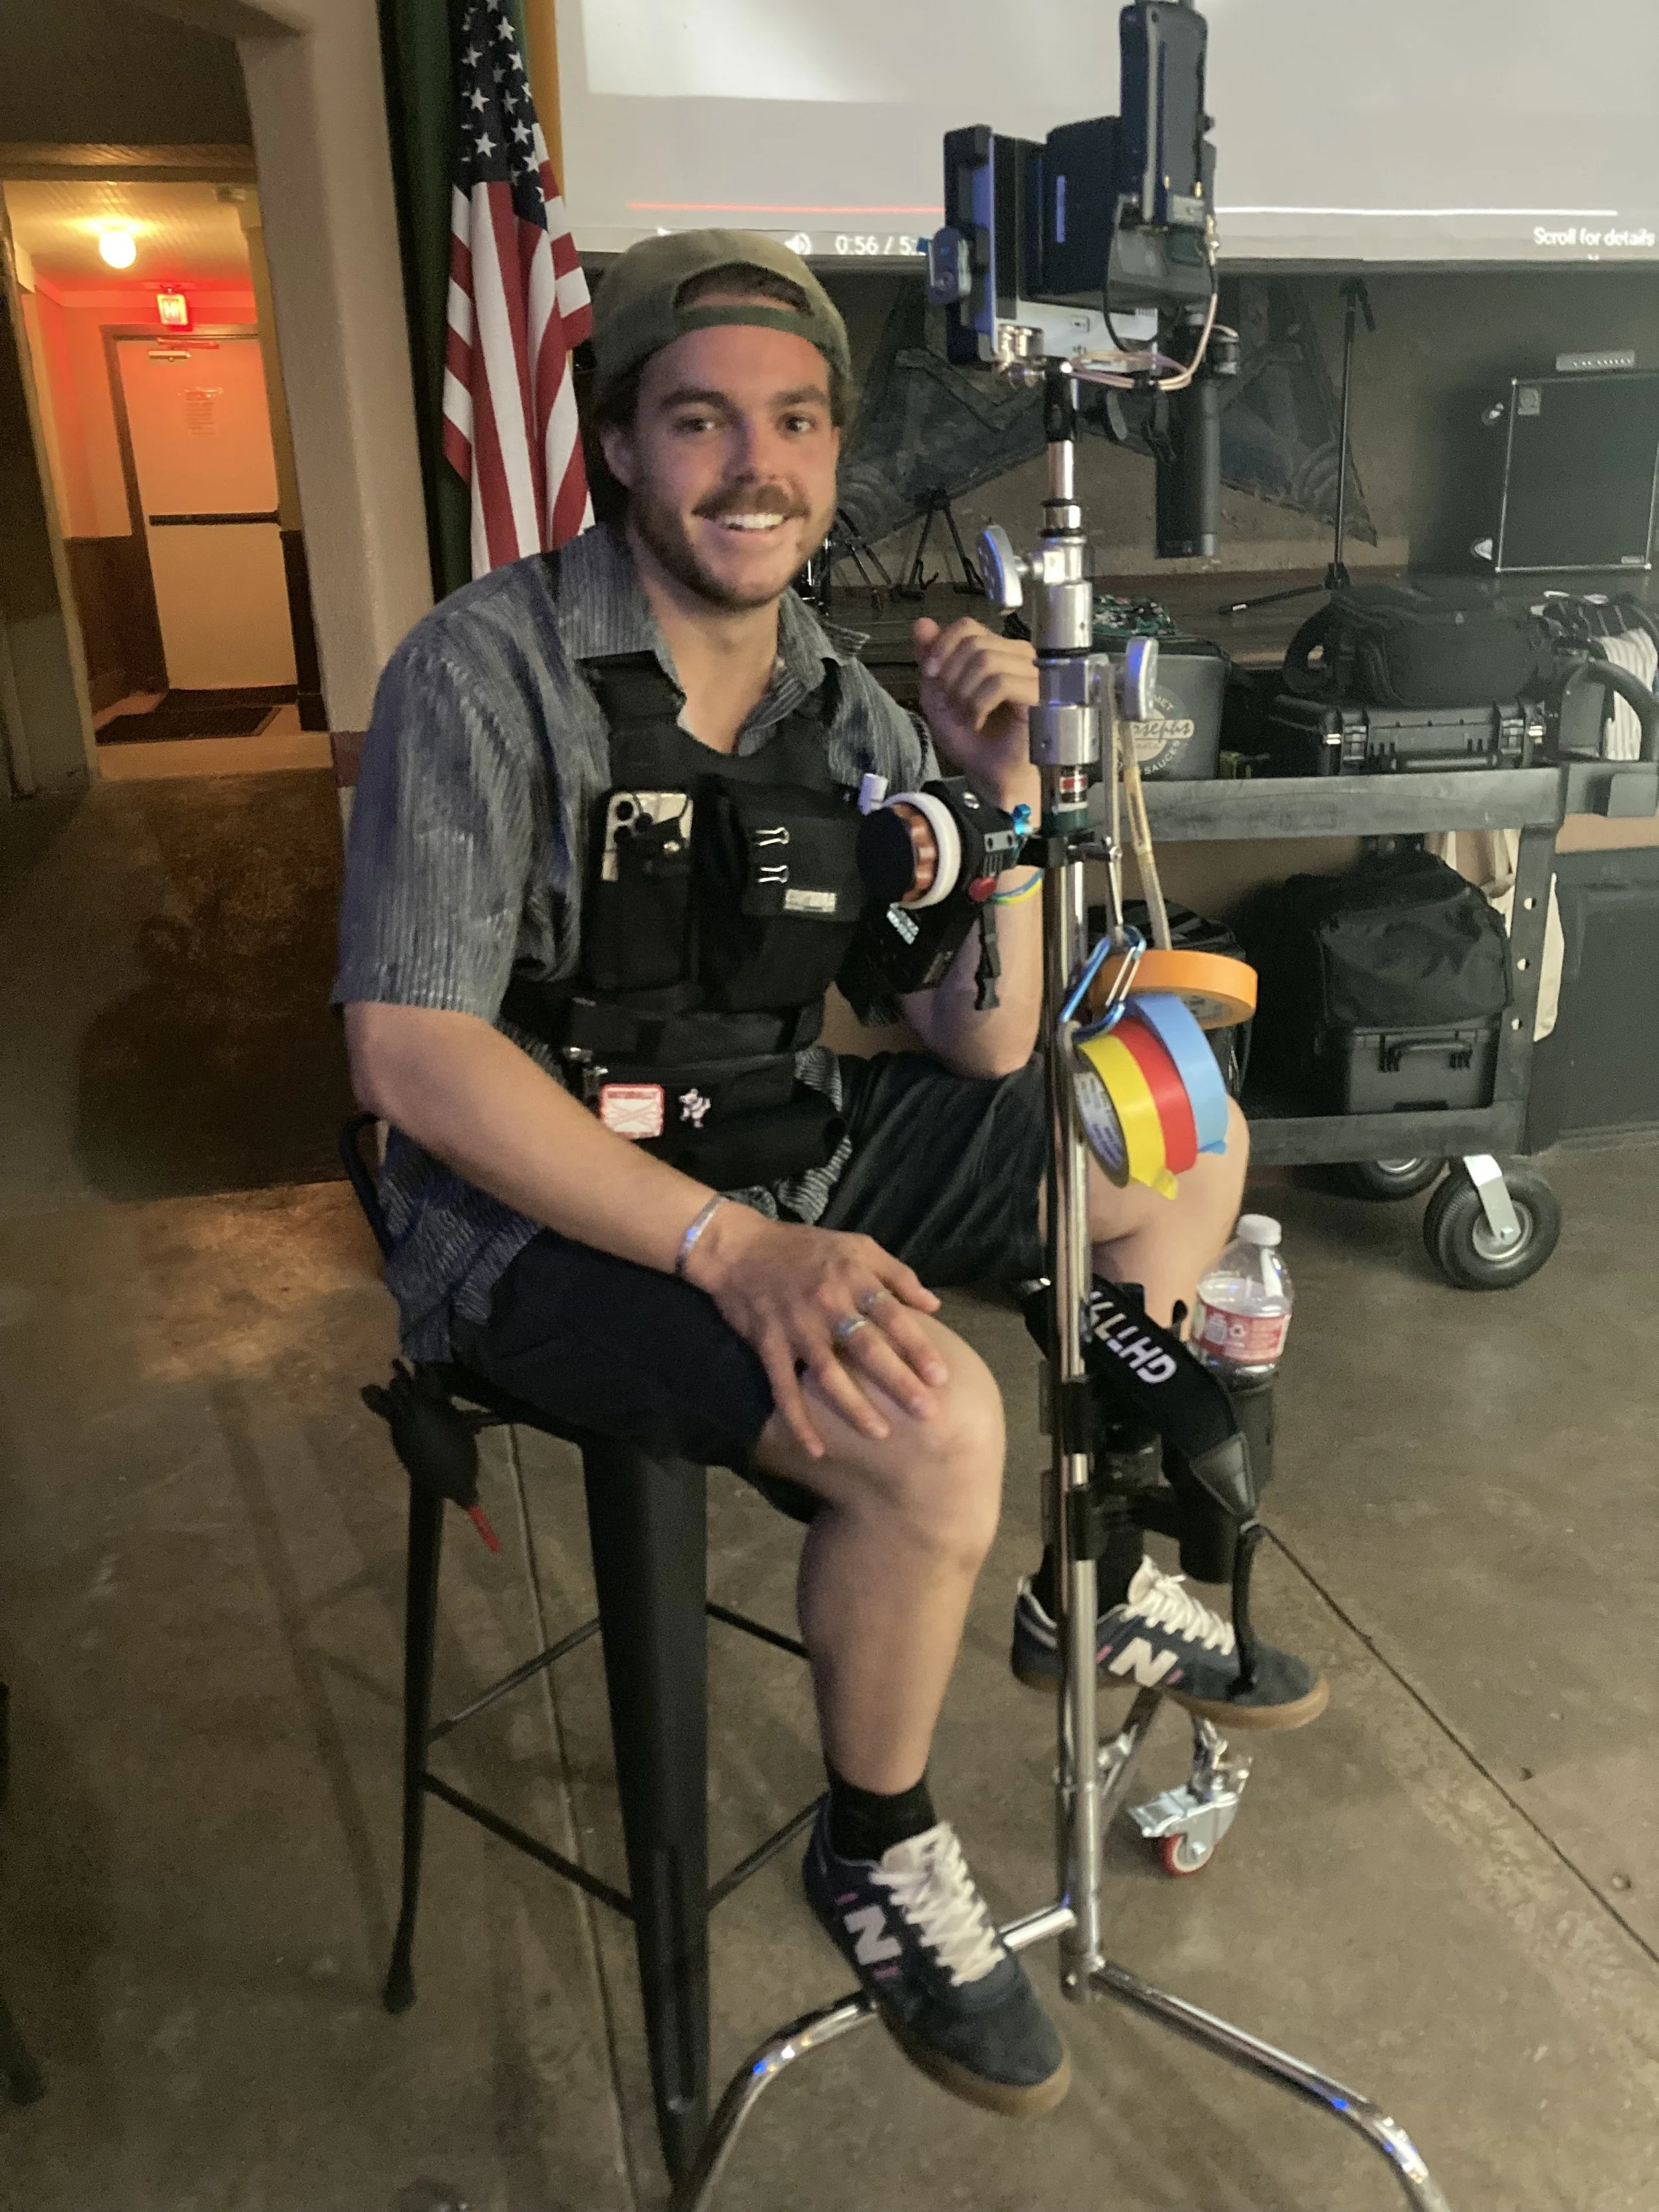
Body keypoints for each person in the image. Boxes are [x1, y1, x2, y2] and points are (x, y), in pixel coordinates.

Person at [335, 230, 1325, 2121]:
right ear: (620, 442)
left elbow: (979, 1037)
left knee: (1174, 1113)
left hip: (779, 1132)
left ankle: (1087, 1561)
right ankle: (874, 1835)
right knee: (932, 1409)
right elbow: (410, 1051)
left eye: (793, 421)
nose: (754, 465)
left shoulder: (839, 699)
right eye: (700, 420)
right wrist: (730, 1254)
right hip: (538, 1206)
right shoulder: (486, 670)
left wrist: (1007, 800)